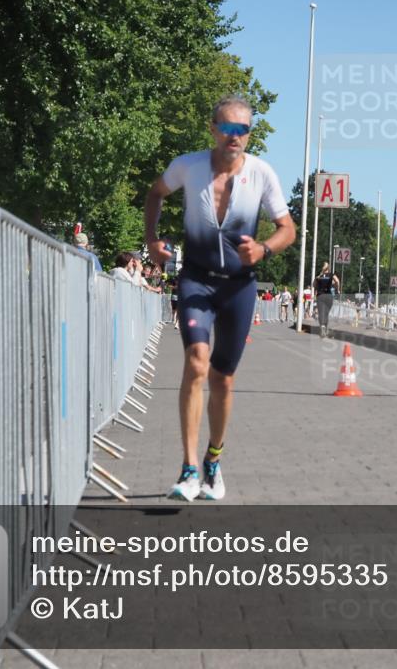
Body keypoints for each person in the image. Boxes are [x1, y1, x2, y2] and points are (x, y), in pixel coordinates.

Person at [145, 95, 296, 502]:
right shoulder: (188, 166)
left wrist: (264, 249)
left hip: (239, 287)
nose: (234, 136)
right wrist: (153, 240)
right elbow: (155, 194)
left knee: (222, 378)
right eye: (227, 128)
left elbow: (288, 228)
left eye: (242, 129)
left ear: (249, 134)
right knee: (196, 362)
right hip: (195, 279)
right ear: (213, 129)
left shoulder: (262, 173)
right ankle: (188, 467)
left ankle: (214, 458)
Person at [314, 263, 340, 338]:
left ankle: (322, 327)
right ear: (328, 269)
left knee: (321, 313)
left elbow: (314, 284)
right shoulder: (331, 275)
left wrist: (317, 287)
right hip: (329, 296)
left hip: (320, 296)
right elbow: (337, 281)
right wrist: (337, 289)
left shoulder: (319, 276)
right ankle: (325, 329)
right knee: (326, 313)